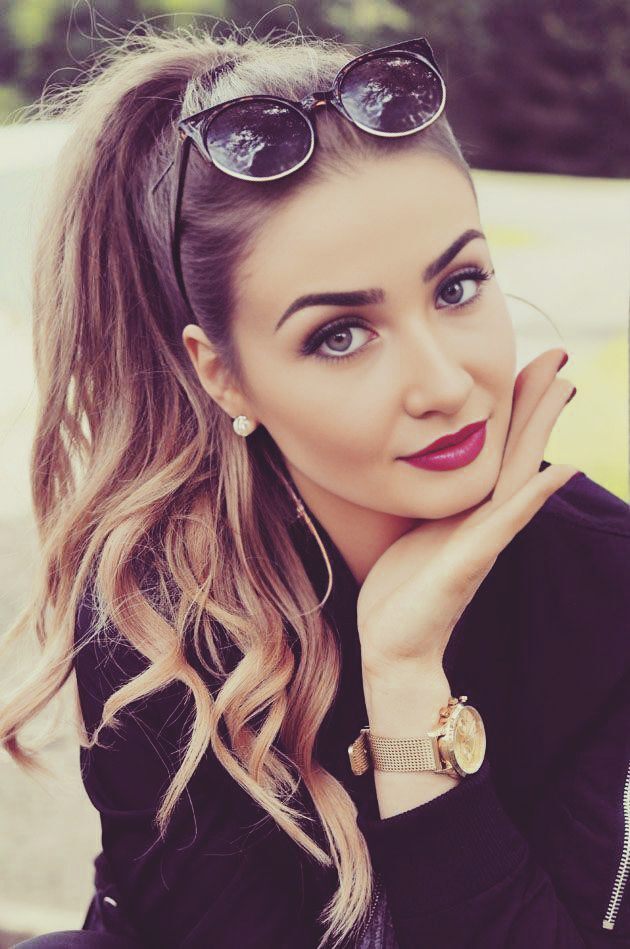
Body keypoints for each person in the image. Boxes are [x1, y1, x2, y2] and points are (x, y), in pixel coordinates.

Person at [1, 24, 629, 949]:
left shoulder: (607, 584)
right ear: (224, 377)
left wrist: (408, 686)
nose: (444, 384)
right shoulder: (163, 605)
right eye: (340, 335)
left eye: (458, 287)